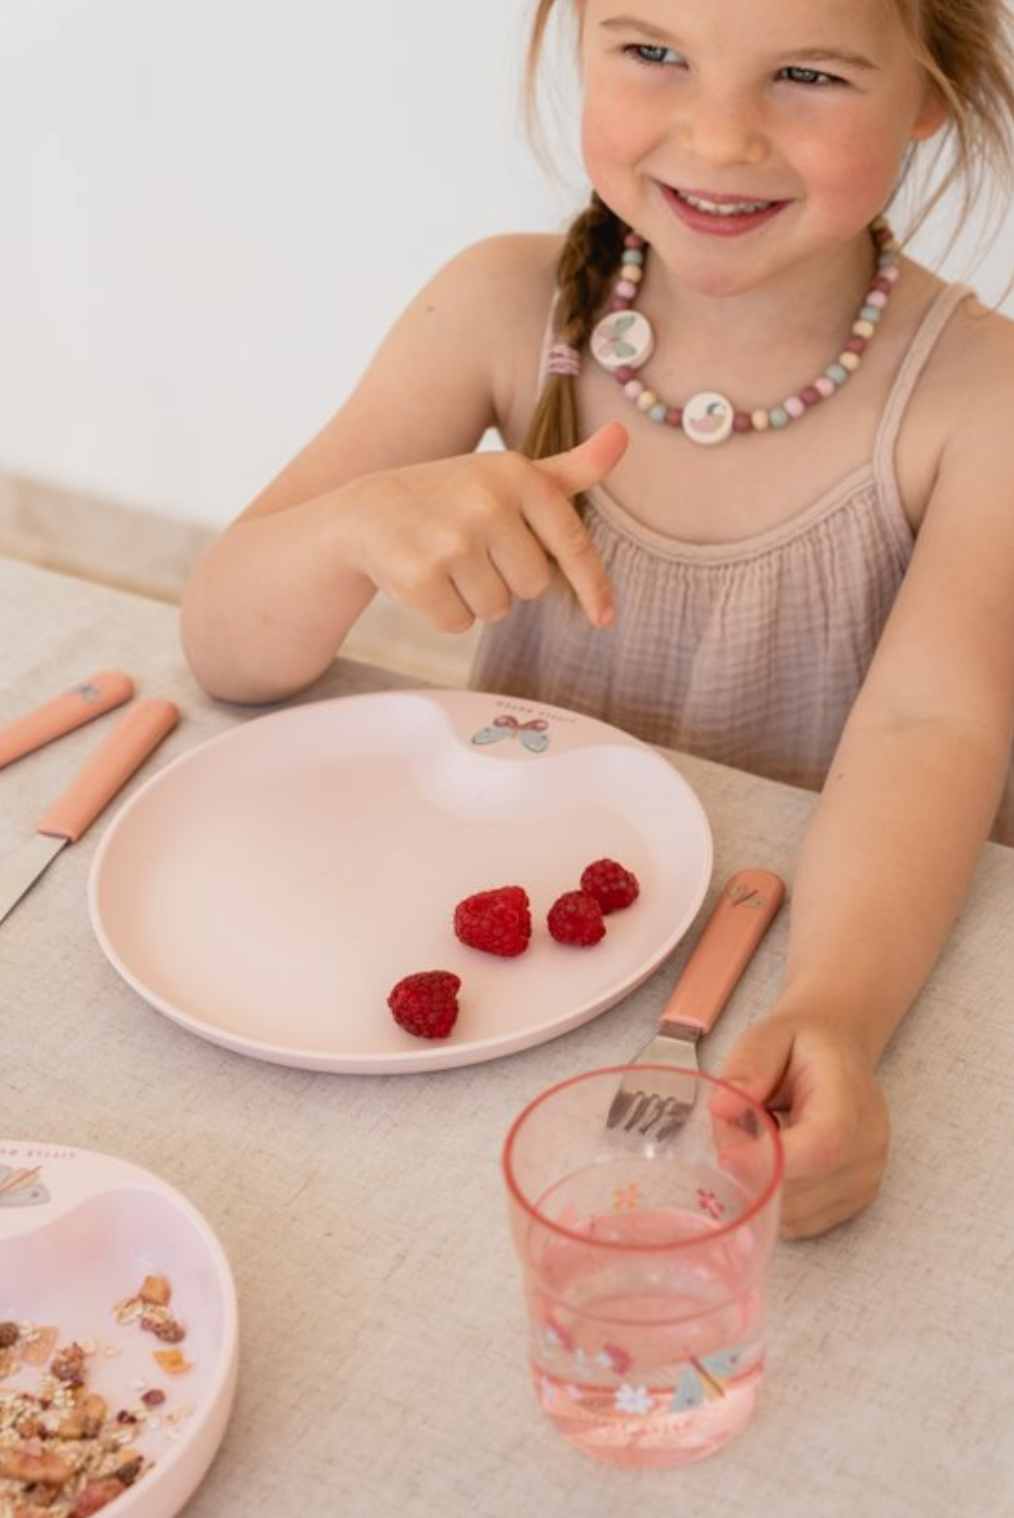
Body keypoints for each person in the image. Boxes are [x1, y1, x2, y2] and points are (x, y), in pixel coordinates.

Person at [181, 0, 1014, 1239]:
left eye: (804, 73)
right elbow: (225, 652)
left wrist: (835, 1011)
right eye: (655, 53)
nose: (720, 136)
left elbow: (930, 727)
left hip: (799, 954)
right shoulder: (497, 306)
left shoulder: (980, 395)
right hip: (528, 970)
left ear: (930, 90)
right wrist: (349, 528)